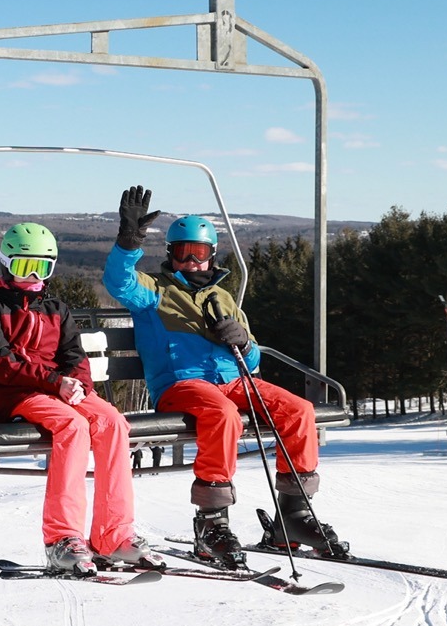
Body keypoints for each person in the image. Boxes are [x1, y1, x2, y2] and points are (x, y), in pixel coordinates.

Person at [102, 186, 346, 568]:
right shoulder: (154, 292)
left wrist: (243, 341)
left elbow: (250, 363)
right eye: (182, 253)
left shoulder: (224, 297)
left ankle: (294, 516)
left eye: (198, 254)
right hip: (182, 384)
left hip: (233, 382)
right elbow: (119, 282)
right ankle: (211, 521)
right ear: (171, 255)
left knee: (298, 411)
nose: (190, 262)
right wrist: (128, 240)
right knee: (222, 414)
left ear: (211, 255)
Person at [0, 222, 157, 576]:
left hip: (57, 389)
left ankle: (114, 535)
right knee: (74, 427)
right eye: (23, 266)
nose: (32, 276)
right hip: (15, 393)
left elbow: (75, 355)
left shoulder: (56, 307)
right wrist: (55, 382)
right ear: (5, 264)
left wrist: (79, 385)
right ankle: (62, 538)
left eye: (41, 268)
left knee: (112, 422)